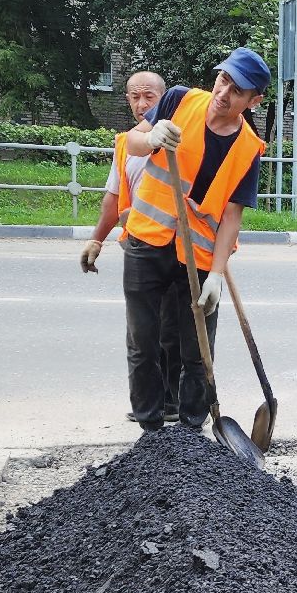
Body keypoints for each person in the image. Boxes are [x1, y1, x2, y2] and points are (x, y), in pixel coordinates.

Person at [116, 48, 269, 432]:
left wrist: (217, 273)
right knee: (143, 341)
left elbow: (232, 216)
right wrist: (151, 136)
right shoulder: (179, 99)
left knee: (198, 351)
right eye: (223, 80)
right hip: (146, 243)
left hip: (197, 257)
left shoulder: (249, 149)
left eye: (237, 91)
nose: (224, 92)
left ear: (254, 101)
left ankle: (191, 431)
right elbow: (128, 146)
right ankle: (150, 430)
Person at [78, 71, 194, 424]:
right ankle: (151, 406)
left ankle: (175, 402)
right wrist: (97, 238)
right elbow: (113, 199)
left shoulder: (181, 136)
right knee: (144, 332)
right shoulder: (126, 144)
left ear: (165, 98)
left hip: (176, 246)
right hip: (138, 244)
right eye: (134, 97)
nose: (141, 104)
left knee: (174, 330)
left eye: (149, 97)